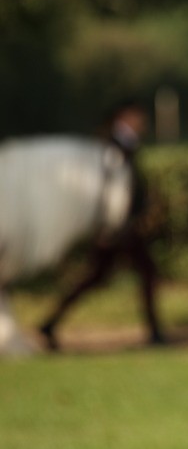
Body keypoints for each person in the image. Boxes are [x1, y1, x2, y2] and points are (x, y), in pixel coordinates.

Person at [39, 101, 166, 350]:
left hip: (124, 227)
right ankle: (154, 333)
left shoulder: (123, 145)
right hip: (118, 228)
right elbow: (105, 191)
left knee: (100, 277)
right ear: (124, 117)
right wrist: (108, 225)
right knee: (130, 275)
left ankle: (51, 323)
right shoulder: (110, 147)